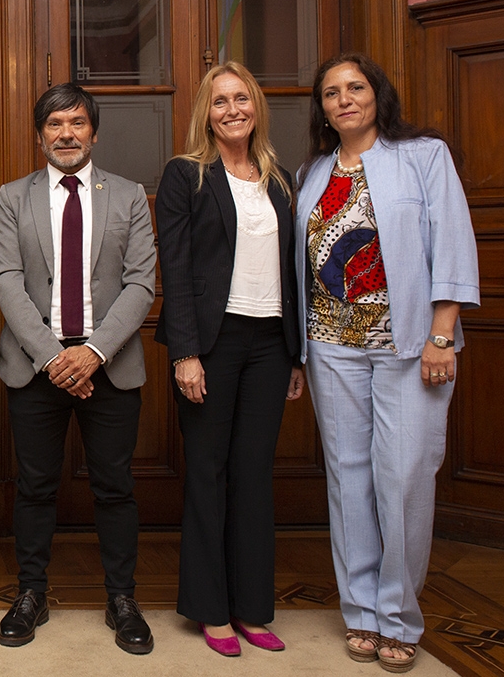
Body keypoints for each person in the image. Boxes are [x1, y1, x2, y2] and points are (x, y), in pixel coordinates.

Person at [296, 52, 479, 673]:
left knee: (401, 481)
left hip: (407, 346)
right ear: (321, 108)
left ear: (377, 95)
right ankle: (362, 615)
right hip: (330, 346)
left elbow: (450, 240)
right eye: (330, 93)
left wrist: (443, 335)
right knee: (349, 481)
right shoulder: (314, 170)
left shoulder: (423, 156)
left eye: (355, 88)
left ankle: (399, 618)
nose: (343, 99)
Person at [0, 83, 157, 654]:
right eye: (55, 124)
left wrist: (92, 353)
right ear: (40, 135)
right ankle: (30, 595)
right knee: (34, 487)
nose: (66, 134)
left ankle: (123, 600)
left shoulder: (130, 195)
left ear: (94, 131)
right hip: (37, 365)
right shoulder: (13, 197)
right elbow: (6, 280)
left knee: (114, 487)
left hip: (109, 365)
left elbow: (141, 283)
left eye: (77, 123)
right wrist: (54, 357)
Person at [154, 61, 304, 657]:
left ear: (256, 106)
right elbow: (178, 270)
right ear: (206, 113)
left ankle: (252, 608)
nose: (233, 110)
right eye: (220, 102)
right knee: (209, 477)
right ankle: (211, 610)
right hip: (211, 346)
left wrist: (295, 355)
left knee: (253, 479)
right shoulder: (184, 176)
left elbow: (293, 275)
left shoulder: (281, 179)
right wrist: (186, 353)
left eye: (242, 98)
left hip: (270, 343)